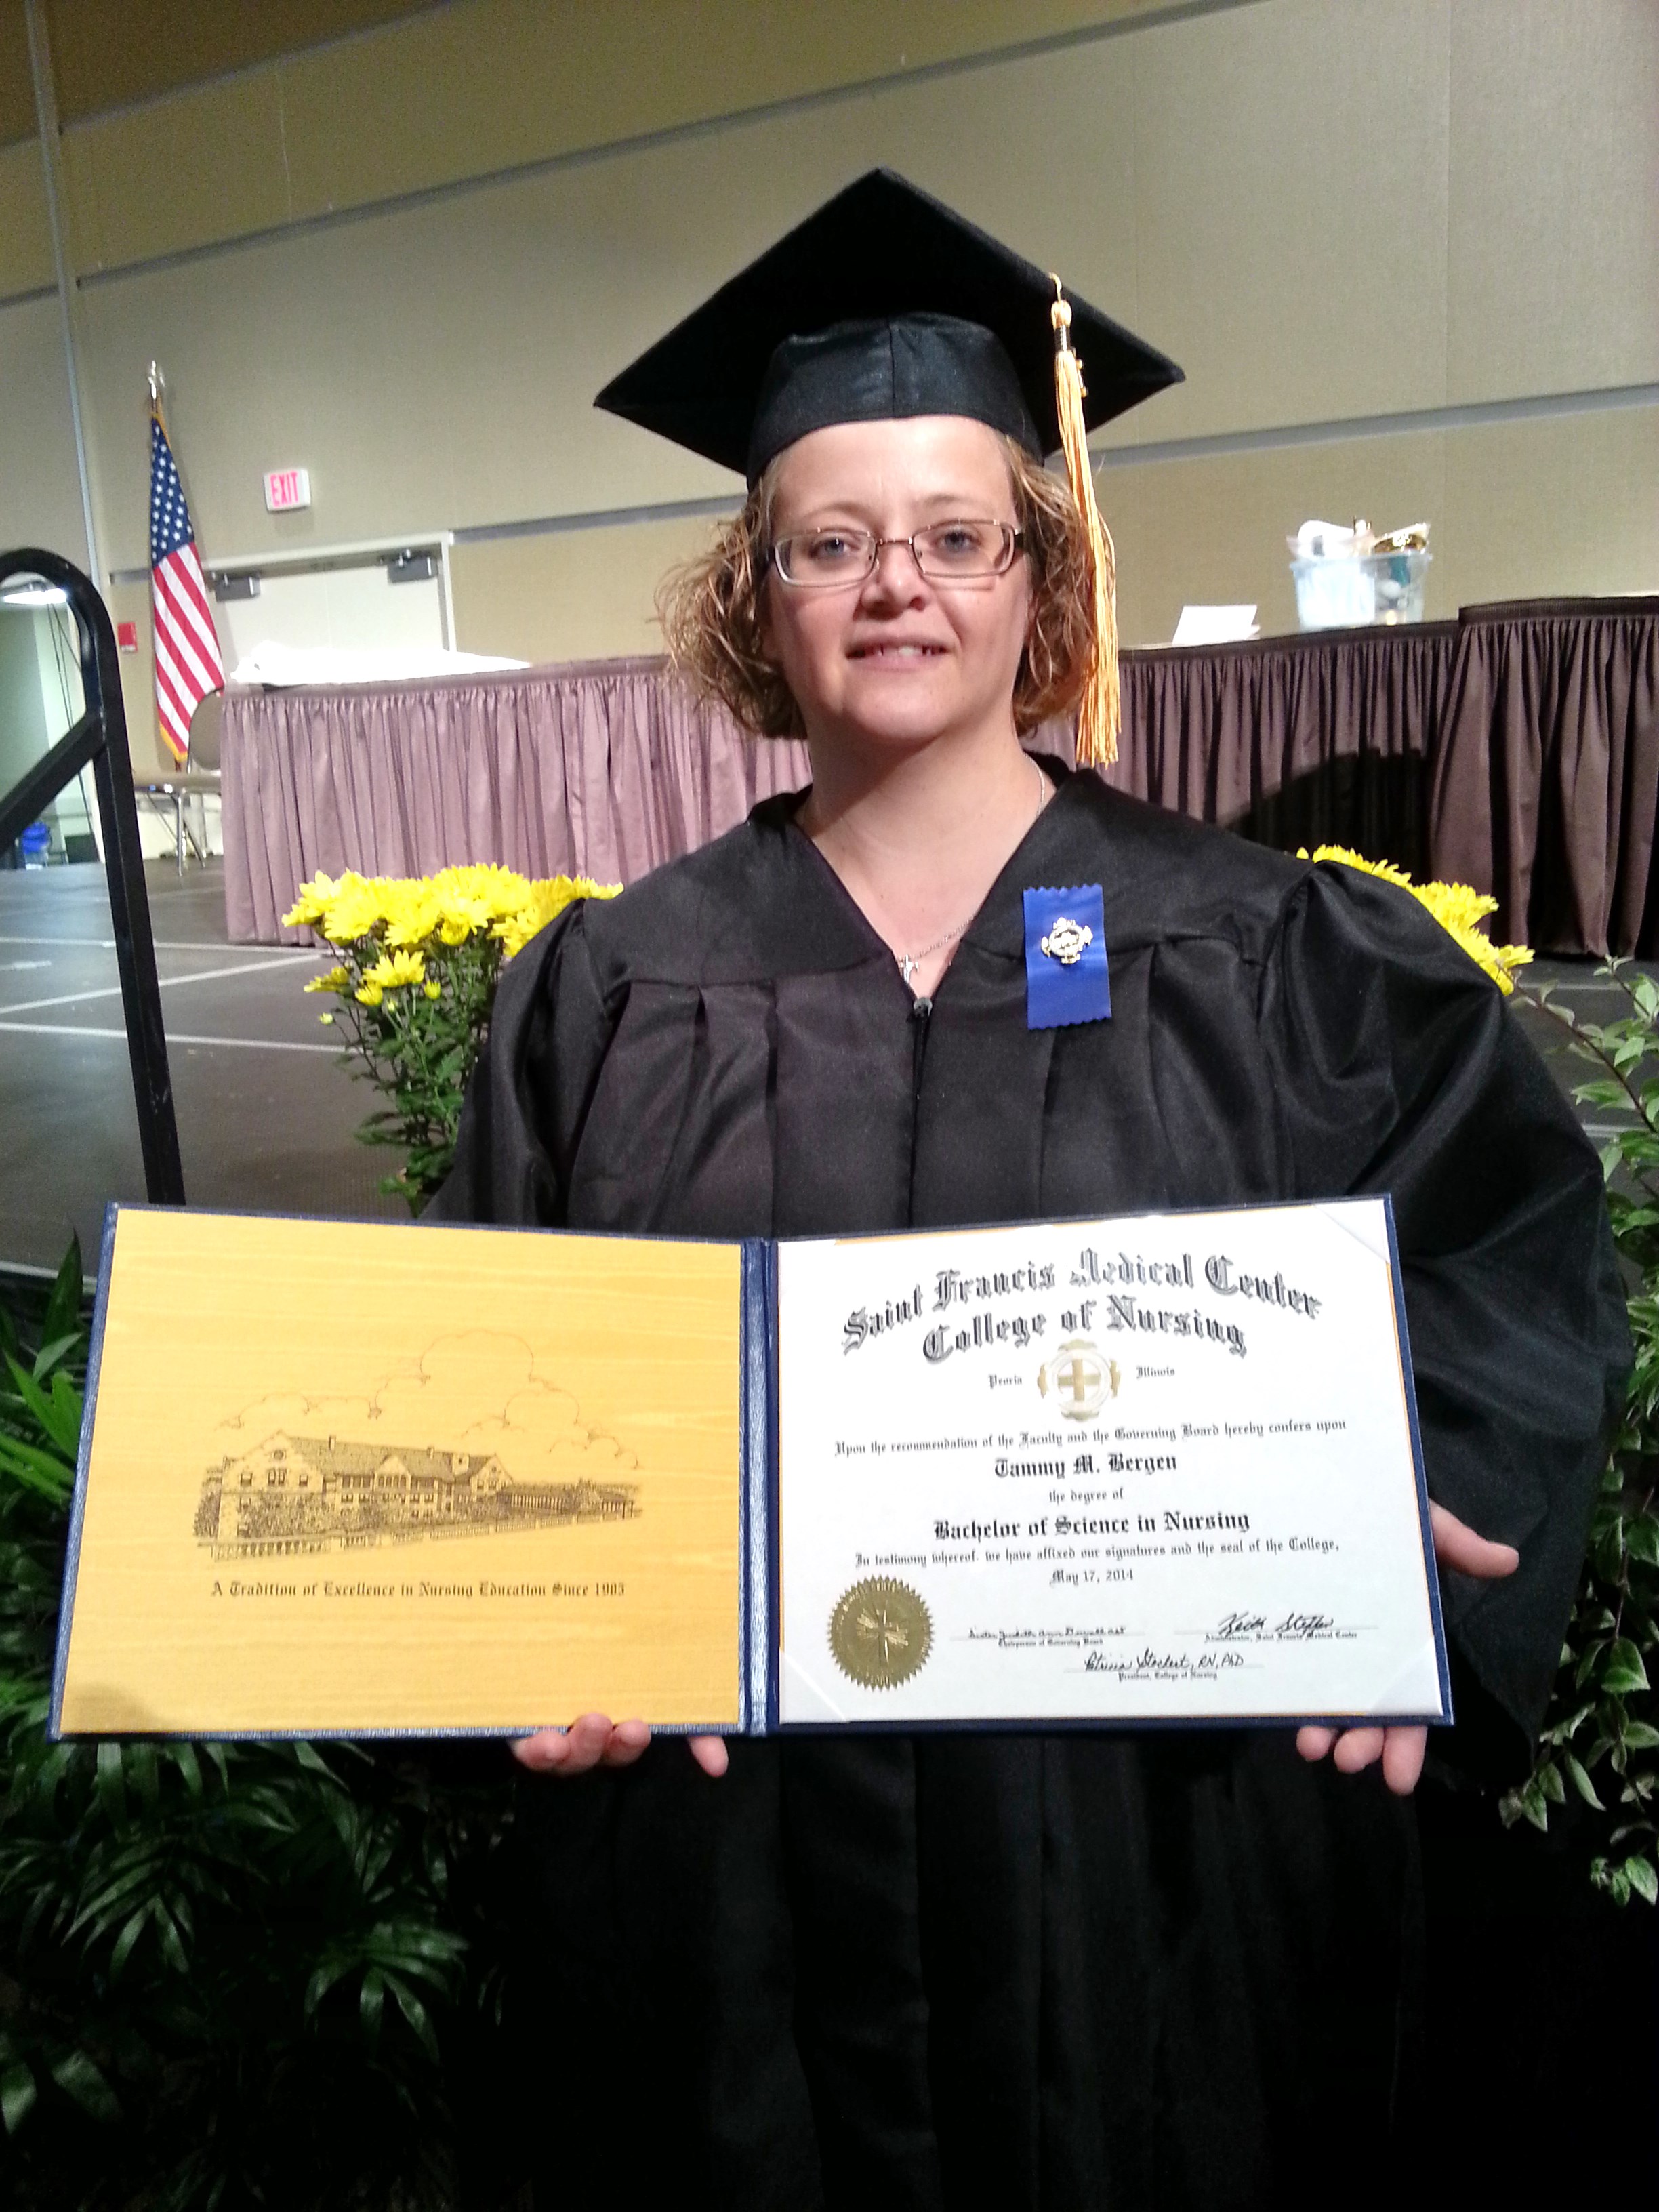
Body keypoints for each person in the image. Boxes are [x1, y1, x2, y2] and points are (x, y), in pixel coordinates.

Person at [432, 173, 1628, 2209]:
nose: (894, 586)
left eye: (955, 535)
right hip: (740, 1888)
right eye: (830, 543)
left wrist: (1410, 1547)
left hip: (1171, 1859)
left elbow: (1501, 1250)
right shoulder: (620, 990)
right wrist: (522, 1636)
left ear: (1038, 575)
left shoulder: (1269, 952)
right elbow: (486, 1370)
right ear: (756, 596)